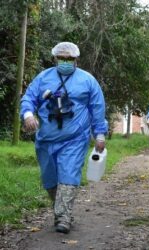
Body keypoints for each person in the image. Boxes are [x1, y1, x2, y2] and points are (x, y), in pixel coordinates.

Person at [21, 42, 108, 234]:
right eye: (62, 58)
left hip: (75, 138)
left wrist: (99, 134)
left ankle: (63, 217)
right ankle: (61, 210)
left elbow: (97, 109)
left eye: (70, 59)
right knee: (49, 178)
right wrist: (28, 115)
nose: (66, 62)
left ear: (76, 60)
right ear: (55, 59)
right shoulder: (43, 78)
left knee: (68, 174)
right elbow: (28, 98)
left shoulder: (88, 81)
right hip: (46, 139)